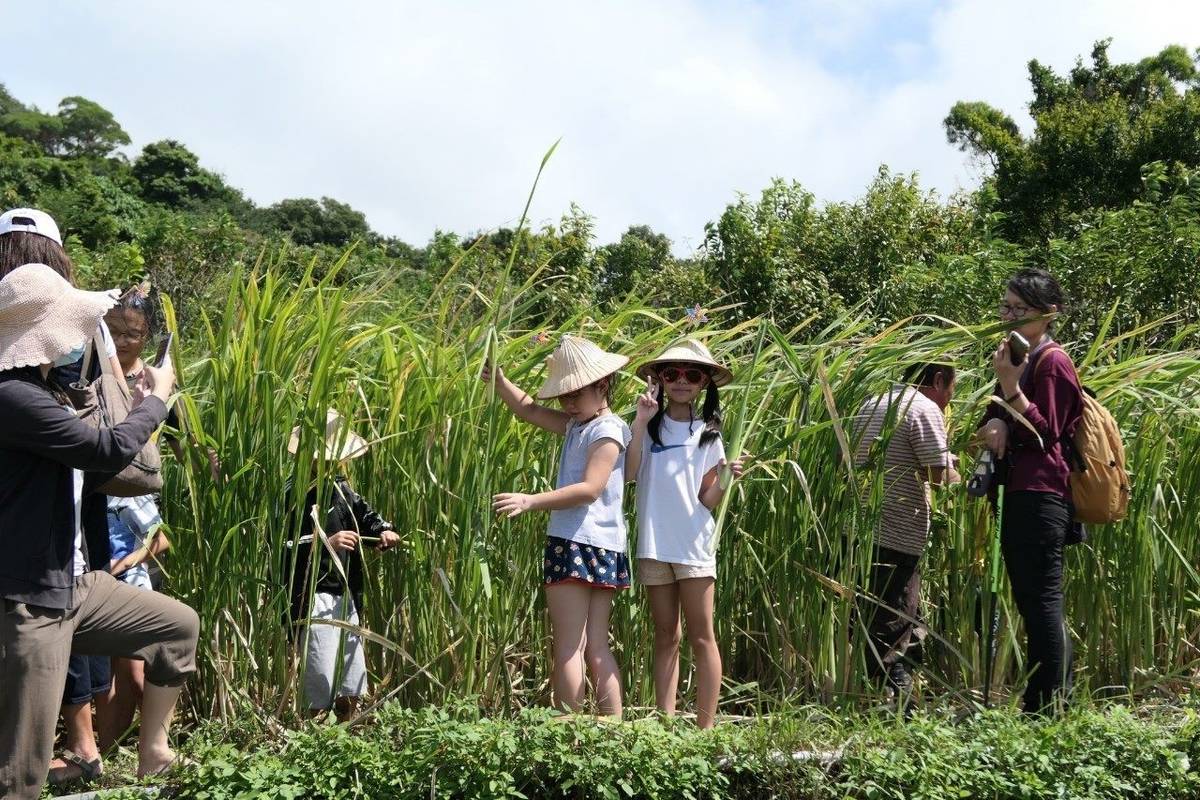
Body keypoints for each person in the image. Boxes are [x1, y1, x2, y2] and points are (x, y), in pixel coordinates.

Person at [0, 263, 199, 799]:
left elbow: (105, 466)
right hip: (30, 600)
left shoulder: (52, 390)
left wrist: (131, 406)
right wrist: (157, 401)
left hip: (73, 584)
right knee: (20, 776)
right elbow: (103, 450)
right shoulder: (14, 397)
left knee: (177, 627)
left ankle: (154, 752)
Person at [0, 208, 136, 787]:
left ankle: (82, 751)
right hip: (37, 570)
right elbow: (108, 450)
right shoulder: (21, 388)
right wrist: (154, 398)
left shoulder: (32, 377)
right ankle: (75, 754)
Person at [483, 335, 632, 716]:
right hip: (604, 546)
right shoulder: (580, 425)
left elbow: (590, 489)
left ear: (603, 385)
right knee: (593, 645)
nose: (568, 403)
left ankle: (568, 732)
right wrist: (501, 383)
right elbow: (530, 410)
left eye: (575, 394)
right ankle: (610, 733)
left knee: (570, 645)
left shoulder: (606, 429)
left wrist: (530, 500)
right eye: (564, 396)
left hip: (576, 542)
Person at [976, 268, 1083, 714]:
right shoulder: (1016, 359)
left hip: (1042, 493)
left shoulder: (1052, 361)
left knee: (1041, 600)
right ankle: (1047, 702)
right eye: (1005, 307)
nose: (1009, 317)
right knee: (1030, 598)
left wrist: (1010, 389)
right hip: (1018, 491)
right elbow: (991, 421)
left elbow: (1048, 433)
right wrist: (997, 417)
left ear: (1048, 314)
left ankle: (1048, 707)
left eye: (1019, 310)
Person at [626, 339, 745, 729]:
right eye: (671, 373)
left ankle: (705, 729)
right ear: (658, 379)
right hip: (653, 546)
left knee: (702, 636)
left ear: (704, 383)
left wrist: (727, 477)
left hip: (693, 547)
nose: (680, 381)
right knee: (666, 635)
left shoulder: (708, 435)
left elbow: (707, 499)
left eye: (691, 375)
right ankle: (664, 725)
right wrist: (642, 420)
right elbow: (628, 474)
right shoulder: (645, 427)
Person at [283, 409, 401, 723]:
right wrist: (325, 543)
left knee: (352, 676)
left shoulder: (342, 490)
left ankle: (349, 732)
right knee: (319, 674)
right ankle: (314, 738)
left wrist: (384, 533)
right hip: (313, 597)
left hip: (346, 593)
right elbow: (282, 546)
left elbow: (370, 519)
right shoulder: (294, 495)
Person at [851, 360, 957, 704]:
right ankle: (898, 707)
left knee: (879, 617)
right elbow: (938, 477)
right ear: (938, 380)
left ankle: (895, 696)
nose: (949, 398)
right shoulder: (923, 409)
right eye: (951, 389)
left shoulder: (871, 403)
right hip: (898, 533)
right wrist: (962, 471)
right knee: (894, 623)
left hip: (860, 532)